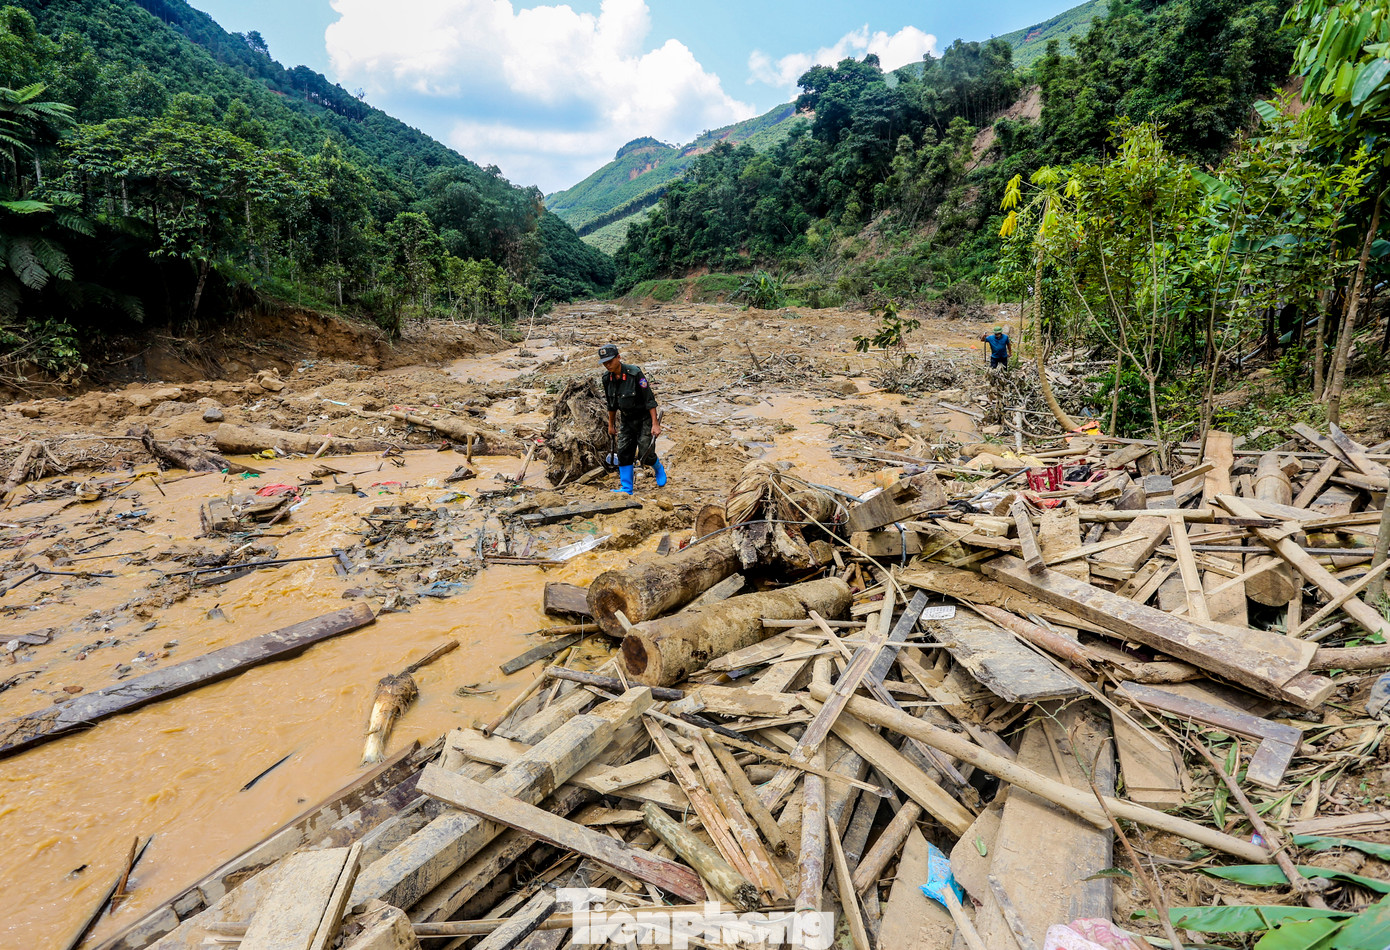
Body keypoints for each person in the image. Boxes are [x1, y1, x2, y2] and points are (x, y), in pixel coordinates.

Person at [599, 343, 667, 495]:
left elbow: (649, 400)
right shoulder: (607, 379)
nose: (607, 365)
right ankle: (627, 488)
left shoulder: (634, 373)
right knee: (623, 451)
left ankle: (657, 467)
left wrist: (655, 424)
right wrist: (611, 425)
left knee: (645, 452)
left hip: (644, 418)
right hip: (627, 419)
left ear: (618, 357)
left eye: (610, 361)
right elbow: (611, 404)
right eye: (604, 362)